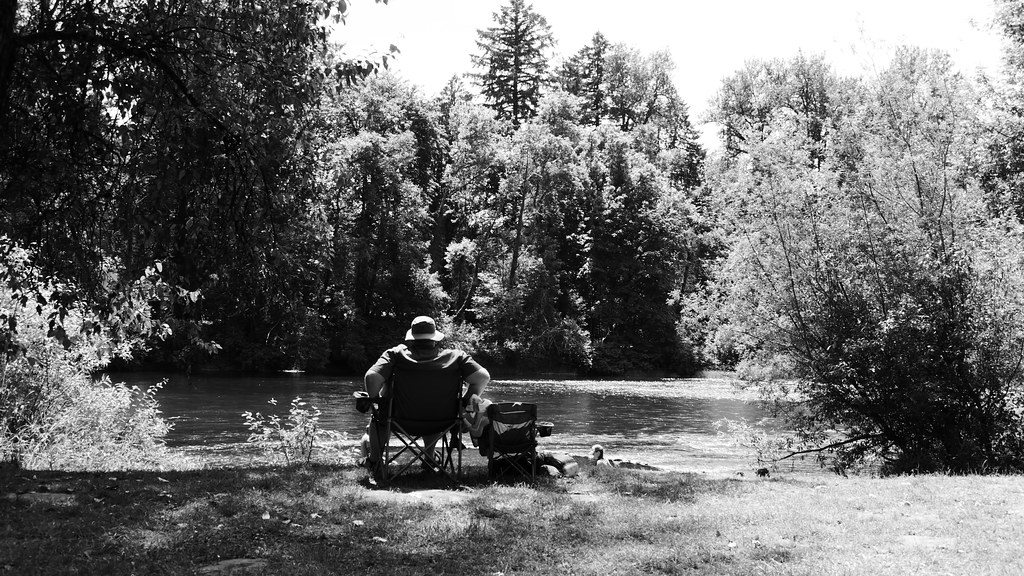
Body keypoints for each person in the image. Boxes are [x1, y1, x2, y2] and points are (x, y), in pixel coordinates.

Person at [360, 315, 490, 473]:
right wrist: (466, 400)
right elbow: (483, 377)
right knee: (432, 408)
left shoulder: (395, 354)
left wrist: (378, 401)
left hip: (398, 420)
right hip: (443, 420)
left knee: (380, 416)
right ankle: (429, 459)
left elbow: (371, 377)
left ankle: (374, 460)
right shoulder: (455, 357)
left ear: (412, 340)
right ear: (434, 339)